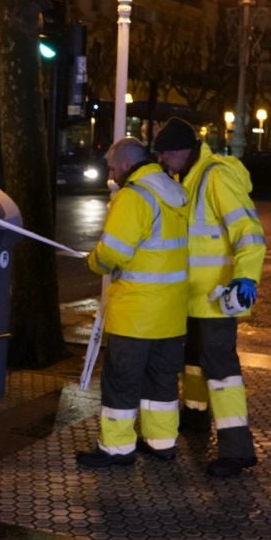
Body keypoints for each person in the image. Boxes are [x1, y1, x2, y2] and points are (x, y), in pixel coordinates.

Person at [154, 117, 265, 478]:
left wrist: (246, 277)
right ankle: (196, 414)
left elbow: (247, 230)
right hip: (192, 294)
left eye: (165, 154)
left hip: (217, 295)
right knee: (195, 360)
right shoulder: (187, 178)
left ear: (180, 152)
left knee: (221, 369)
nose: (162, 161)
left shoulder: (214, 176)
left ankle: (236, 447)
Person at [77, 136, 190, 468]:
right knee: (162, 381)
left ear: (126, 164)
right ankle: (161, 443)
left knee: (122, 381)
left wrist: (93, 262)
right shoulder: (175, 193)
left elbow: (113, 252)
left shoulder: (134, 196)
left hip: (136, 313)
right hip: (170, 313)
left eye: (112, 168)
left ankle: (117, 448)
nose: (111, 175)